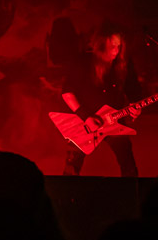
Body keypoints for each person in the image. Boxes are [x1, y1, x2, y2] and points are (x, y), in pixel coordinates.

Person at [60, 25, 142, 177]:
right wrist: (85, 116)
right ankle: (66, 191)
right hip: (83, 122)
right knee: (72, 167)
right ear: (101, 45)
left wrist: (135, 107)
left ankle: (132, 190)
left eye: (119, 46)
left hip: (114, 120)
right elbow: (67, 93)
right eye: (112, 46)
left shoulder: (123, 64)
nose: (116, 51)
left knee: (128, 165)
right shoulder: (84, 62)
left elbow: (134, 90)